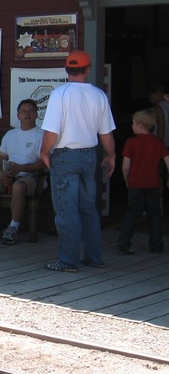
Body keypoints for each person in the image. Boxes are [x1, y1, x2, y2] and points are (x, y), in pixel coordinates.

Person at [39, 49, 117, 272]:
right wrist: (111, 155)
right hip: (89, 155)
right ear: (88, 69)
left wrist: (45, 152)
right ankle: (93, 257)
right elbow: (106, 133)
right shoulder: (99, 95)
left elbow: (52, 131)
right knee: (88, 209)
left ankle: (68, 261)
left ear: (66, 70)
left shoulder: (60, 94)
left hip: (65, 156)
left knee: (67, 211)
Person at [0, 98, 45, 245]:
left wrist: (22, 168)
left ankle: (13, 228)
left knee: (18, 187)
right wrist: (1, 172)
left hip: (29, 176)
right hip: (7, 174)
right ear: (18, 115)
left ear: (37, 114)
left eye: (30, 111)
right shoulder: (10, 134)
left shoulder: (42, 135)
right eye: (23, 111)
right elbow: (1, 158)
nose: (27, 114)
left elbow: (44, 163)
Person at [116, 109, 169, 255]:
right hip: (153, 184)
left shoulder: (131, 142)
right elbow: (167, 161)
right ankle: (156, 245)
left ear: (140, 125)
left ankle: (124, 242)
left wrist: (126, 179)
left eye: (133, 123)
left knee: (132, 212)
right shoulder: (158, 142)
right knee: (155, 214)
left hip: (135, 183)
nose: (132, 126)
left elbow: (126, 166)